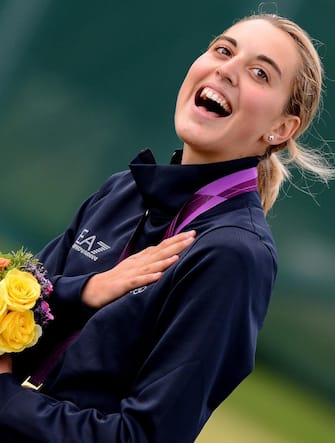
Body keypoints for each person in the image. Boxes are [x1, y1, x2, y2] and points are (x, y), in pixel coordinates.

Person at [0, 12, 334, 443]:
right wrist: (84, 292)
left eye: (259, 73)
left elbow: (145, 436)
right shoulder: (124, 190)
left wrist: (7, 402)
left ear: (281, 129)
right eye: (223, 50)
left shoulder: (234, 255)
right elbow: (11, 318)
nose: (227, 69)